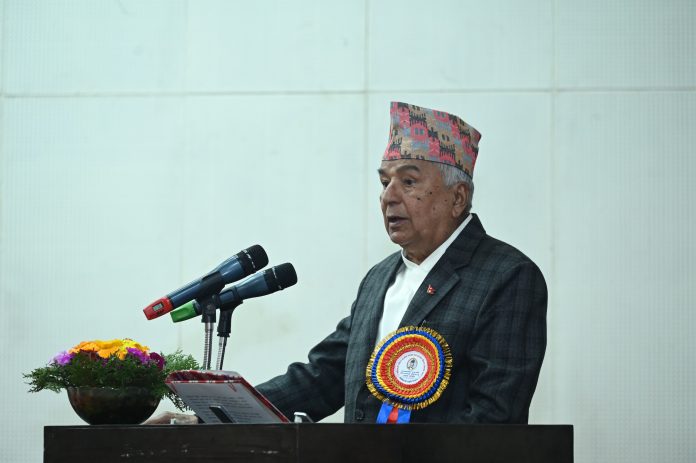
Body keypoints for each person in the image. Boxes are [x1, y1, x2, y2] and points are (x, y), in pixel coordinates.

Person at [147, 101, 546, 425]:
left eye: (408, 182)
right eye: (384, 182)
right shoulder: (380, 278)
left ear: (457, 198)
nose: (388, 197)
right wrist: (211, 417)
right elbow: (324, 376)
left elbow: (495, 418)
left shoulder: (507, 276)